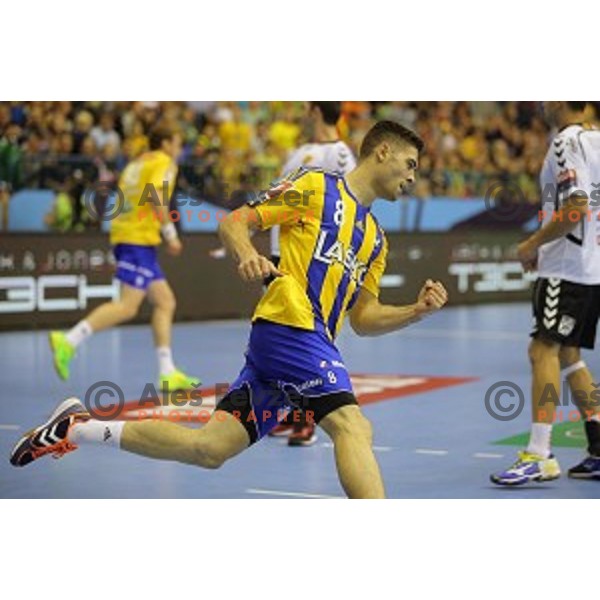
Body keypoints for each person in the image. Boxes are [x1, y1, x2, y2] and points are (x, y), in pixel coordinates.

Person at [10, 121, 448, 499]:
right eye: (410, 164)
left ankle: (77, 427)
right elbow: (235, 221)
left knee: (209, 449)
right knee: (353, 427)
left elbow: (363, 319)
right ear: (383, 151)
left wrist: (415, 310)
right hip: (289, 327)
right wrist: (246, 255)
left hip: (298, 348)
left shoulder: (375, 240)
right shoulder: (315, 187)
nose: (413, 177)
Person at [491, 101, 600, 485]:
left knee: (543, 350)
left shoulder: (566, 141)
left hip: (565, 267)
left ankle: (539, 454)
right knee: (570, 354)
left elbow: (576, 206)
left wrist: (533, 244)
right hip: (590, 268)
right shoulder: (596, 140)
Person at [48, 121, 199, 390]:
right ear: (165, 144)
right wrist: (171, 235)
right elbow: (156, 197)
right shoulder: (164, 162)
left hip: (129, 234)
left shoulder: (136, 162)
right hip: (136, 239)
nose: (178, 148)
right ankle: (68, 340)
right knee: (128, 306)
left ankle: (167, 372)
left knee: (165, 302)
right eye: (176, 142)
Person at [268, 100, 357, 446]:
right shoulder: (300, 153)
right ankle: (291, 412)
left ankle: (307, 419)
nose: (305, 114)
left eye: (308, 109)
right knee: (283, 333)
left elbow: (351, 204)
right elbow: (277, 198)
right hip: (280, 254)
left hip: (310, 258)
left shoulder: (339, 154)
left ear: (317, 112)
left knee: (307, 337)